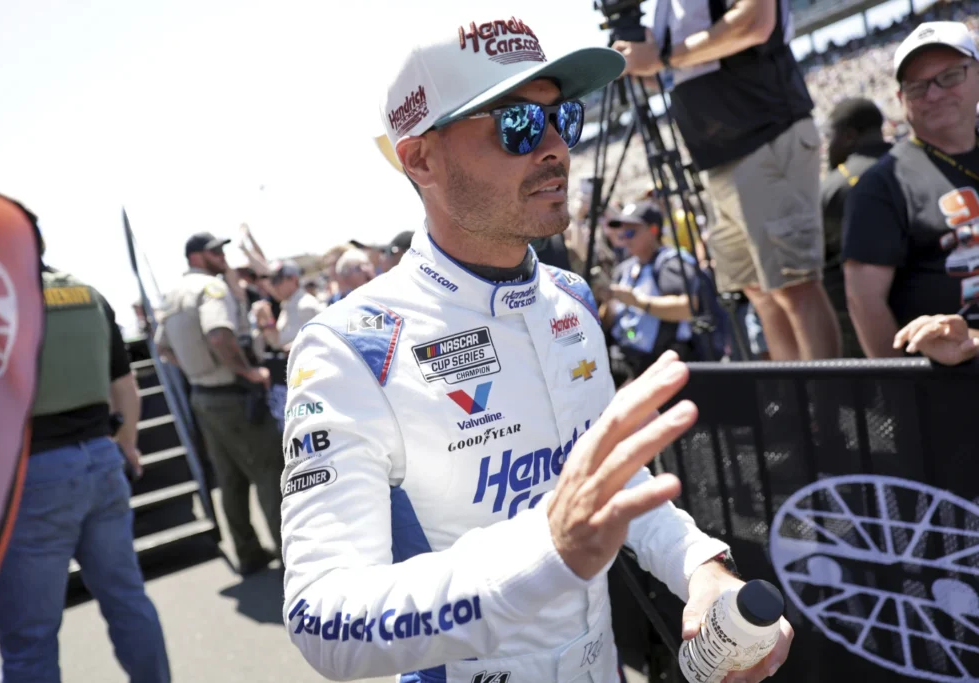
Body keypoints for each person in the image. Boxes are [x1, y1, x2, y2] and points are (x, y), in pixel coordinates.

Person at [280, 15, 792, 683]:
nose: (555, 147)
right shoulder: (351, 346)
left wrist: (701, 566)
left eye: (563, 118)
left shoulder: (570, 300)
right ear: (421, 159)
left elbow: (611, 480)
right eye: (516, 125)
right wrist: (549, 547)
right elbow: (322, 618)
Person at [613, 0, 841, 361]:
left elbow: (755, 23)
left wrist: (663, 56)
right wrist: (642, 63)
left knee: (794, 286)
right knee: (760, 293)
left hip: (763, 135)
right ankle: (796, 394)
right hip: (717, 157)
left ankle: (831, 396)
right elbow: (680, 68)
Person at [0, 253, 170, 683]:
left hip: (31, 474)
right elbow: (125, 384)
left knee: (29, 639)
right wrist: (126, 445)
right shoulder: (88, 293)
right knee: (127, 598)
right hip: (101, 459)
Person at [843, 22, 979, 357]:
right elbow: (864, 302)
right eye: (917, 87)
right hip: (955, 372)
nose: (934, 94)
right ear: (901, 100)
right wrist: (901, 382)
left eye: (949, 76)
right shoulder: (880, 186)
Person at [154, 231, 282, 575]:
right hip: (232, 394)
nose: (221, 256)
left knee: (231, 479)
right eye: (214, 252)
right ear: (196, 257)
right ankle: (294, 561)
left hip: (203, 395)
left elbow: (163, 348)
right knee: (269, 472)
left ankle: (249, 553)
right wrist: (247, 371)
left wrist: (197, 368)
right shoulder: (211, 288)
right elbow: (218, 334)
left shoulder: (173, 295)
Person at [820, 98, 892, 359]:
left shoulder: (835, 185)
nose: (828, 146)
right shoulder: (915, 165)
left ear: (849, 136)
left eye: (831, 137)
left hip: (857, 326)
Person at [601, 202, 706, 377]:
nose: (625, 239)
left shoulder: (670, 264)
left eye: (630, 233)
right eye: (621, 234)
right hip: (624, 358)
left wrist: (638, 302)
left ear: (654, 230)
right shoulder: (624, 269)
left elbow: (688, 307)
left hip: (660, 363)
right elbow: (611, 317)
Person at [254, 260, 325, 352]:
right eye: (272, 281)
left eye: (277, 280)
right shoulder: (288, 304)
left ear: (293, 279)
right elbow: (278, 342)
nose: (274, 286)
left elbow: (318, 341)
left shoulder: (305, 306)